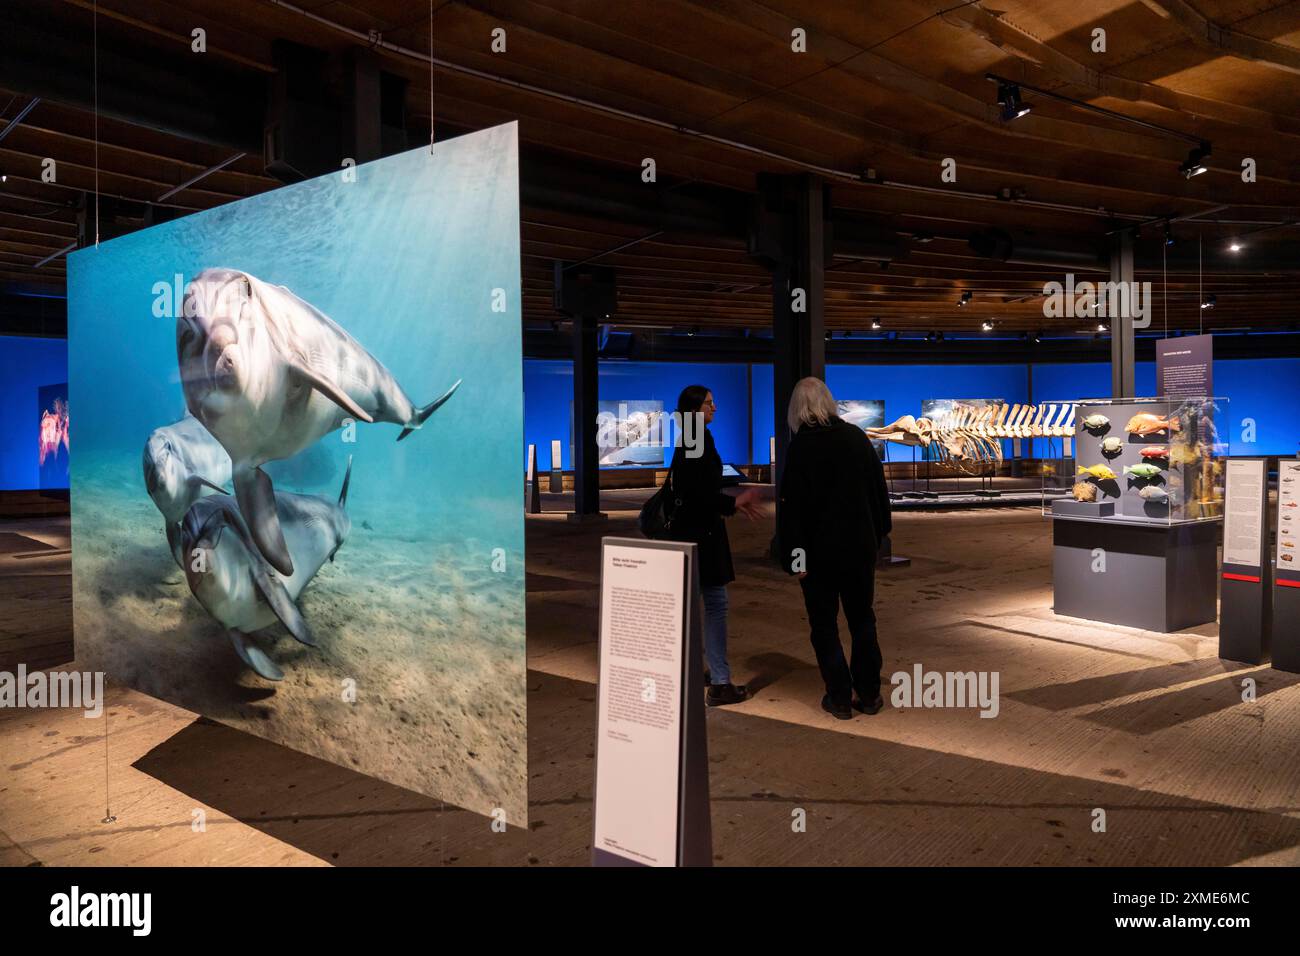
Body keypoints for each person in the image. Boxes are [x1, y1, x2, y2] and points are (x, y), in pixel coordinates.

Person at [777, 377, 892, 720]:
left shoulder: (800, 448)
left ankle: (840, 697)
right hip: (859, 551)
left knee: (824, 625)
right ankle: (870, 695)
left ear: (796, 409)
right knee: (862, 620)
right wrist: (878, 537)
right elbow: (878, 494)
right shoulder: (856, 438)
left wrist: (796, 561)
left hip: (818, 558)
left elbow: (792, 511)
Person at [668, 384, 763, 706]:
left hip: (694, 533)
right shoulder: (696, 436)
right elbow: (695, 492)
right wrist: (733, 503)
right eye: (709, 403)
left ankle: (693, 671)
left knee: (700, 604)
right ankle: (720, 682)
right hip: (700, 536)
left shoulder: (690, 435)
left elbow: (693, 486)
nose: (715, 407)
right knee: (715, 604)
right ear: (694, 409)